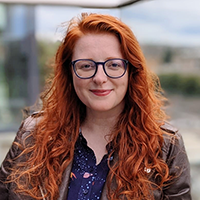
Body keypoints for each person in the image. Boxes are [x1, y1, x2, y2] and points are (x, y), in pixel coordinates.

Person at [0, 13, 191, 200]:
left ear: (131, 71)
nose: (99, 78)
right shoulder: (32, 134)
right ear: (70, 73)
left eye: (114, 65)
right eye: (86, 66)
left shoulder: (166, 147)